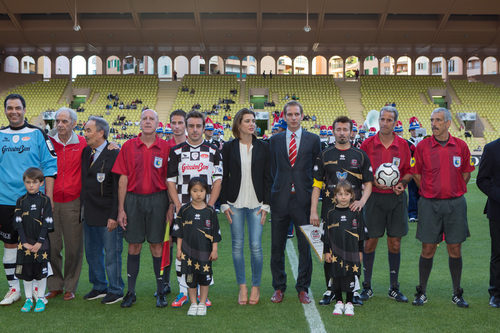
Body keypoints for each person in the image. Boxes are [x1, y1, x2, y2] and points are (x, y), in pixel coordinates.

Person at [411, 107, 474, 308]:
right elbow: (416, 175)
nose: (434, 124)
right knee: (428, 247)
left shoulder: (461, 146)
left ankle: (457, 292)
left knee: (455, 247)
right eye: (432, 120)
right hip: (429, 204)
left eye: (438, 120)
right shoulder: (422, 146)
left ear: (448, 123)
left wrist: (451, 190)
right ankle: (421, 291)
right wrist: (431, 191)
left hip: (455, 204)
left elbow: (466, 173)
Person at [0, 94, 57, 306]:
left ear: (24, 109)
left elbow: (50, 167)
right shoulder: (0, 135)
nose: (13, 111)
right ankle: (13, 289)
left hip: (34, 202)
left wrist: (48, 198)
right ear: (5, 110)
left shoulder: (38, 134)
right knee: (11, 244)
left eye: (17, 108)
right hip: (5, 200)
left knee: (35, 245)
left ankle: (37, 292)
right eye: (9, 108)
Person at [310, 116, 373, 306]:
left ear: (351, 132)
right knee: (329, 250)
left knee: (353, 251)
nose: (342, 133)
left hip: (354, 213)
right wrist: (314, 210)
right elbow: (316, 186)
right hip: (330, 212)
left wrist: (361, 201)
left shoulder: (360, 155)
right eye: (339, 129)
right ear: (333, 131)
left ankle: (353, 291)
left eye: (346, 129)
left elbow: (368, 183)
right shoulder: (324, 155)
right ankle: (331, 289)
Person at [112, 109, 171, 308]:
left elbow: (170, 180)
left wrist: (170, 204)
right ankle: (131, 291)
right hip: (133, 200)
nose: (147, 122)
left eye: (151, 119)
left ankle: (161, 290)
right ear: (140, 123)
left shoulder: (165, 147)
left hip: (158, 200)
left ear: (157, 123)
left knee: (157, 246)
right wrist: (121, 209)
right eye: (144, 118)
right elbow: (123, 179)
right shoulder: (128, 146)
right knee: (134, 245)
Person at [167, 110, 223, 308]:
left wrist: (210, 206)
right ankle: (183, 291)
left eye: (198, 126)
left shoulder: (214, 150)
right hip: (183, 210)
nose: (195, 130)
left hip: (205, 210)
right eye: (191, 126)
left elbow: (217, 181)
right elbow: (171, 182)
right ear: (185, 127)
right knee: (181, 250)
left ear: (203, 127)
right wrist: (179, 207)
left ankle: (202, 292)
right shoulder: (176, 151)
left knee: (204, 249)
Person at [269, 100, 321, 304]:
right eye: (289, 114)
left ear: (302, 116)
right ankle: (279, 287)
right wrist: (278, 189)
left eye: (296, 114)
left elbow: (316, 170)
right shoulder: (275, 140)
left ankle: (303, 288)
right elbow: (273, 170)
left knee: (305, 247)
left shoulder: (313, 140)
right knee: (276, 246)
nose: (293, 118)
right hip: (280, 200)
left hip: (304, 200)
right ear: (283, 116)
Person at [359, 106, 412, 303]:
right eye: (382, 119)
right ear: (378, 120)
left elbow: (408, 171)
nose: (385, 123)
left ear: (395, 123)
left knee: (395, 242)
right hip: (373, 198)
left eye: (390, 120)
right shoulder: (367, 144)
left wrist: (403, 183)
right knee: (370, 241)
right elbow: (360, 171)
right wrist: (372, 181)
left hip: (396, 199)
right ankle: (366, 286)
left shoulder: (403, 145)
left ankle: (394, 287)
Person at [221, 108, 272, 305]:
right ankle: (242, 287)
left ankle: (256, 286)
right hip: (235, 204)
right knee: (236, 247)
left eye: (253, 121)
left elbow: (268, 178)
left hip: (257, 204)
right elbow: (223, 177)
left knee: (256, 247)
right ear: (238, 124)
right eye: (247, 121)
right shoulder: (228, 147)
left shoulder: (264, 147)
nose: (252, 124)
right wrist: (224, 203)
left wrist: (266, 205)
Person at [80, 116, 123, 305]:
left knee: (112, 254)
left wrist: (114, 215)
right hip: (89, 213)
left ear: (101, 133)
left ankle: (116, 289)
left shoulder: (114, 153)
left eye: (89, 130)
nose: (85, 134)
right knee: (92, 253)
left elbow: (117, 189)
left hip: (107, 214)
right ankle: (99, 286)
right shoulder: (85, 153)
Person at [47, 108, 87, 302]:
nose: (60, 125)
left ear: (73, 123)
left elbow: (101, 147)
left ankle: (70, 286)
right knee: (52, 247)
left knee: (73, 248)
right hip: (51, 201)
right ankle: (54, 285)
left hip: (73, 201)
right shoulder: (47, 142)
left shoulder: (82, 143)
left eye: (64, 121)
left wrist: (111, 144)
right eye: (58, 121)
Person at [172, 177, 221, 316]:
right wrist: (179, 249)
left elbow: (215, 233)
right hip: (188, 253)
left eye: (201, 190)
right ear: (189, 192)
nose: (198, 194)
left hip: (205, 253)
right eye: (195, 191)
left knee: (205, 278)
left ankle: (202, 303)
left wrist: (214, 249)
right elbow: (179, 233)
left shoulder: (210, 212)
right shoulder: (184, 210)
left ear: (206, 192)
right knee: (190, 278)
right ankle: (193, 303)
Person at [14, 168, 54, 313]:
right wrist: (24, 242)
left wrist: (39, 242)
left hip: (41, 243)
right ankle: (28, 299)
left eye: (35, 182)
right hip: (25, 243)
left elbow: (47, 223)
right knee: (27, 272)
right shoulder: (20, 201)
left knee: (41, 272)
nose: (31, 185)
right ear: (24, 183)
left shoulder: (45, 201)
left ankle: (41, 298)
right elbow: (18, 224)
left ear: (41, 183)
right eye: (28, 182)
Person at [324, 181, 364, 316]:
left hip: (351, 252)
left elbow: (361, 235)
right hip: (335, 252)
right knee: (336, 276)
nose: (343, 197)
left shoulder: (356, 213)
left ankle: (349, 303)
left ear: (352, 195)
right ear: (335, 196)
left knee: (350, 276)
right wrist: (326, 251)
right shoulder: (330, 213)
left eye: (346, 194)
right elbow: (326, 235)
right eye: (340, 194)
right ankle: (339, 302)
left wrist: (360, 251)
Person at [477, 137, 500, 308]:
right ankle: (496, 293)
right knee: (498, 253)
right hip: (498, 210)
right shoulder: (492, 148)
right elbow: (482, 179)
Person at [407, 118, 422, 223]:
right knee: (412, 193)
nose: (414, 131)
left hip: (422, 171)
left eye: (416, 129)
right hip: (412, 171)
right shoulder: (406, 143)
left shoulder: (424, 141)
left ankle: (422, 213)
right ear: (410, 131)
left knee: (423, 192)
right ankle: (412, 214)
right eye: (412, 130)